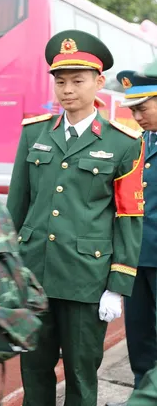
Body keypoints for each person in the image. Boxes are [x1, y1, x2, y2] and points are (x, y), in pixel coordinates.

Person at [6, 30, 144, 406]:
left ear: (98, 82)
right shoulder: (34, 133)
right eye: (60, 81)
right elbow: (17, 206)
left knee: (82, 374)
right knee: (34, 370)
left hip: (86, 279)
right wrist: (6, 269)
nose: (67, 90)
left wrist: (117, 284)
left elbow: (128, 217)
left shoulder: (123, 141)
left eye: (77, 81)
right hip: (34, 273)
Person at [106, 61, 157, 406]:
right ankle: (141, 394)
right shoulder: (141, 142)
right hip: (137, 256)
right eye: (132, 110)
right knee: (139, 337)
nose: (136, 117)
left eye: (143, 108)